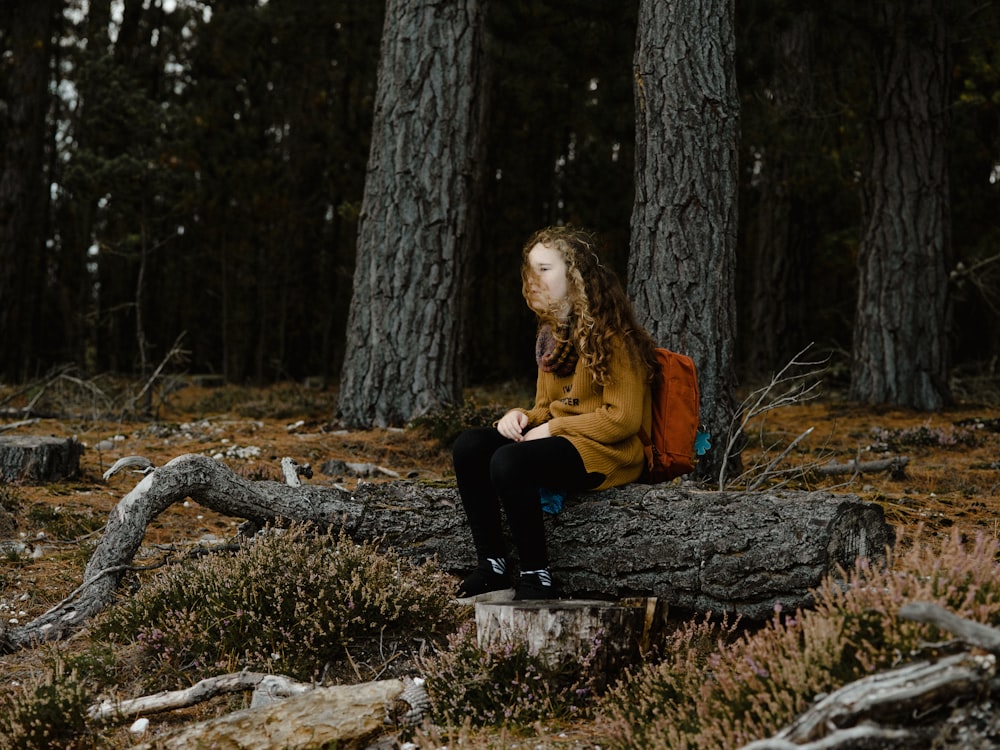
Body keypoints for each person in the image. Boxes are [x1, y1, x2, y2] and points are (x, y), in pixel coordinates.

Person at [452, 226, 660, 602]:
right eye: (530, 270)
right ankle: (494, 566)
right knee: (469, 446)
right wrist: (520, 418)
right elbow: (545, 407)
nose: (533, 279)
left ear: (576, 275)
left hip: (609, 450)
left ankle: (537, 575)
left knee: (509, 463)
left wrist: (552, 429)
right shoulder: (552, 337)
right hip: (562, 440)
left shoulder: (614, 337)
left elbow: (623, 420)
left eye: (545, 268)